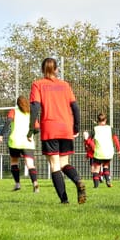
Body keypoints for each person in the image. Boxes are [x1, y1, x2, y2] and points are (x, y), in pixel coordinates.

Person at [29, 57, 87, 204]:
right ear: (56, 69)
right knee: (64, 163)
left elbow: (35, 107)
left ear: (43, 70)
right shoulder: (65, 85)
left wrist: (31, 128)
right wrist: (76, 127)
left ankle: (64, 201)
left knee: (55, 165)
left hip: (50, 128)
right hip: (66, 128)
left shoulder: (37, 84)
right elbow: (75, 107)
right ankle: (77, 180)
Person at [0, 96, 40, 192]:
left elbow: (8, 121)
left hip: (15, 142)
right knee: (30, 164)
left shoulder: (14, 111)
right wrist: (31, 134)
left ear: (17, 103)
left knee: (14, 162)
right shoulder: (31, 113)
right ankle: (35, 183)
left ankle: (17, 184)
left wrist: (1, 134)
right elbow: (37, 129)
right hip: (28, 142)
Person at [88, 112, 120, 188]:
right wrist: (119, 150)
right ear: (105, 120)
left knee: (96, 169)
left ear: (97, 120)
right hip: (109, 153)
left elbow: (89, 140)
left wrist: (90, 147)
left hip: (99, 153)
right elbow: (116, 139)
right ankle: (108, 180)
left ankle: (96, 186)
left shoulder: (95, 129)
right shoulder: (110, 128)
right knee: (106, 166)